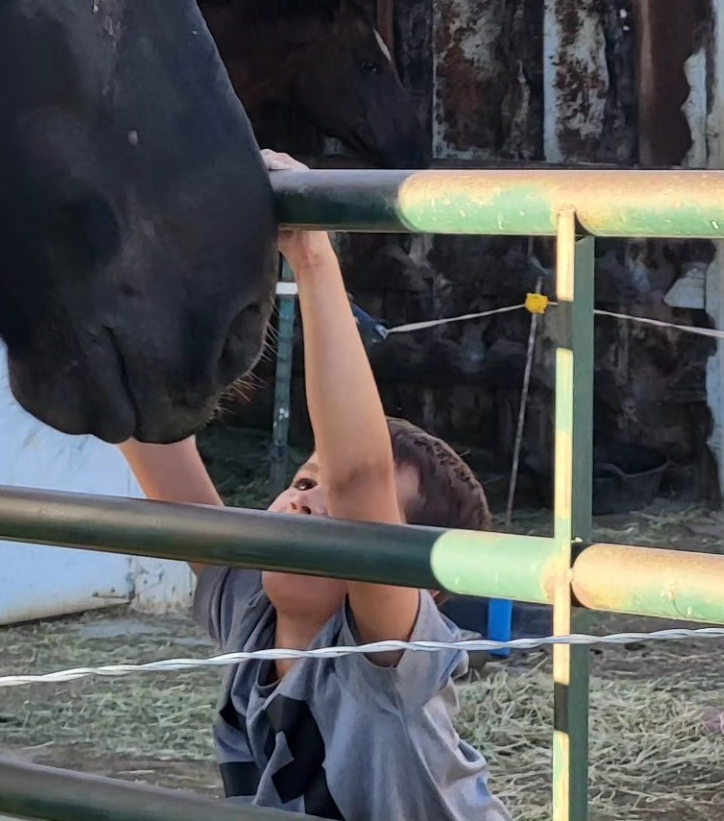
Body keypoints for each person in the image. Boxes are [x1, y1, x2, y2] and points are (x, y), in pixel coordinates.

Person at [119, 150, 509, 820]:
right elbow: (150, 441)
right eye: (303, 479)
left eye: (341, 507)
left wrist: (311, 256)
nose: (303, 498)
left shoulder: (388, 660)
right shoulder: (254, 610)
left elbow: (362, 477)